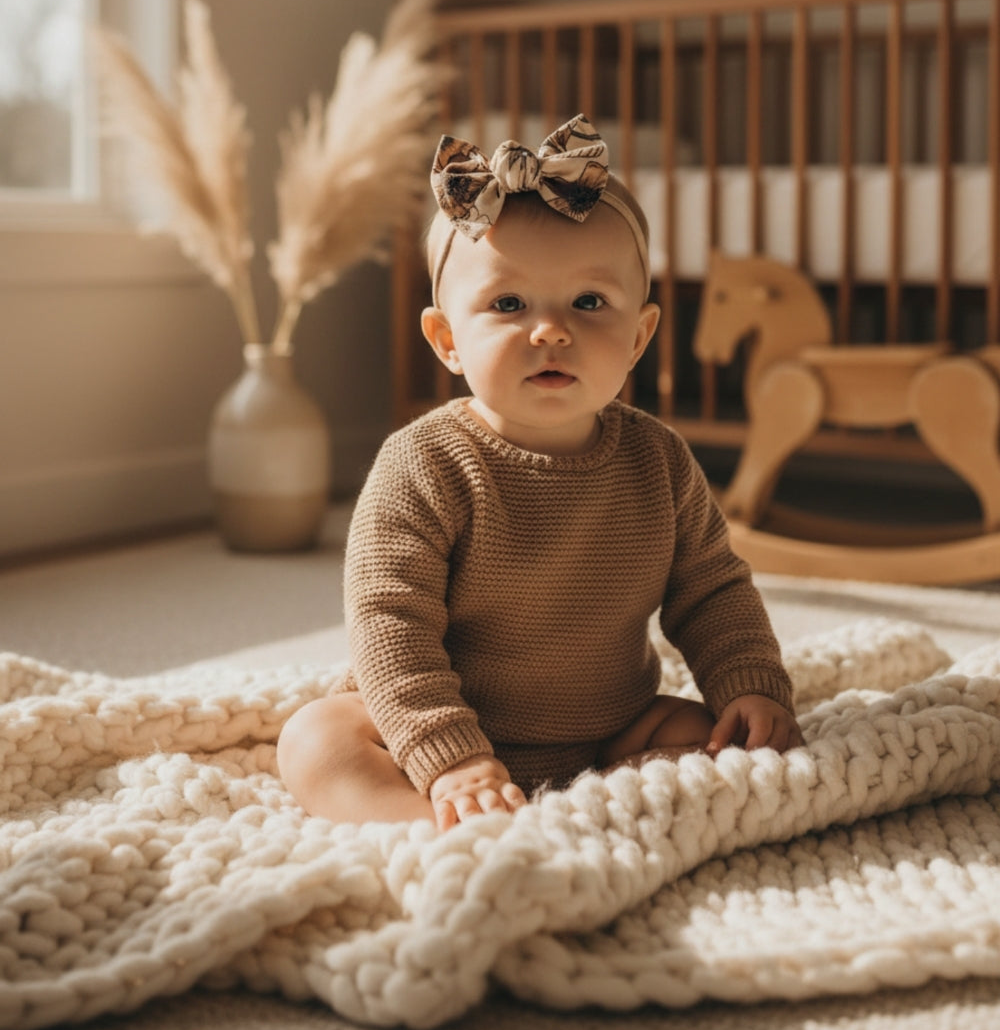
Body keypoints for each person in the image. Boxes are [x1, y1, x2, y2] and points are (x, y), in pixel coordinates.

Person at [277, 115, 803, 832]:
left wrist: (750, 685)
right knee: (316, 741)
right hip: (443, 728)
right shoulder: (424, 463)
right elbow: (389, 622)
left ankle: (592, 813)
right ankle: (434, 830)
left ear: (640, 336)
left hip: (613, 727)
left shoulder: (659, 460)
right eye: (508, 304)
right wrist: (449, 755)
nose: (551, 330)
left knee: (716, 740)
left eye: (589, 303)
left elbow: (712, 591)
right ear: (447, 340)